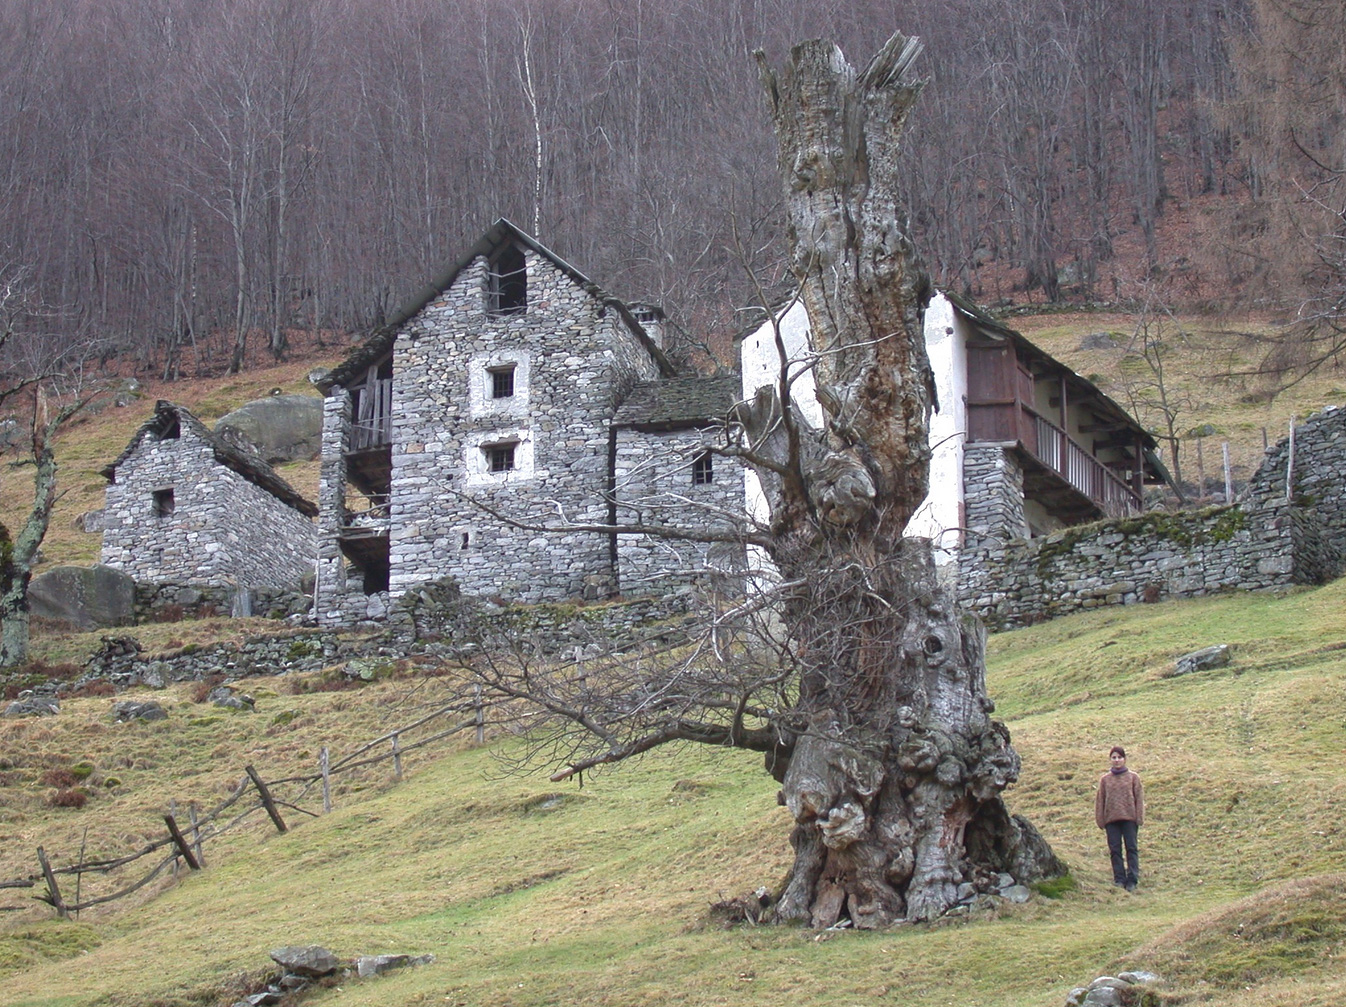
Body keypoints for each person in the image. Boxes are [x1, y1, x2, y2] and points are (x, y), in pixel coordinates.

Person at [1095, 745, 1144, 891]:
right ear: (1110, 759)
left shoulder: (1133, 778)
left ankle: (1132, 879)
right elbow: (1100, 800)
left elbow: (1139, 798)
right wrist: (1100, 819)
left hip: (1129, 819)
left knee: (1131, 848)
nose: (1117, 760)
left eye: (1119, 757)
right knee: (1115, 850)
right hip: (1111, 820)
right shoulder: (1105, 780)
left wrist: (1139, 817)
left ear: (1124, 759)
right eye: (1114, 757)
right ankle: (1119, 879)